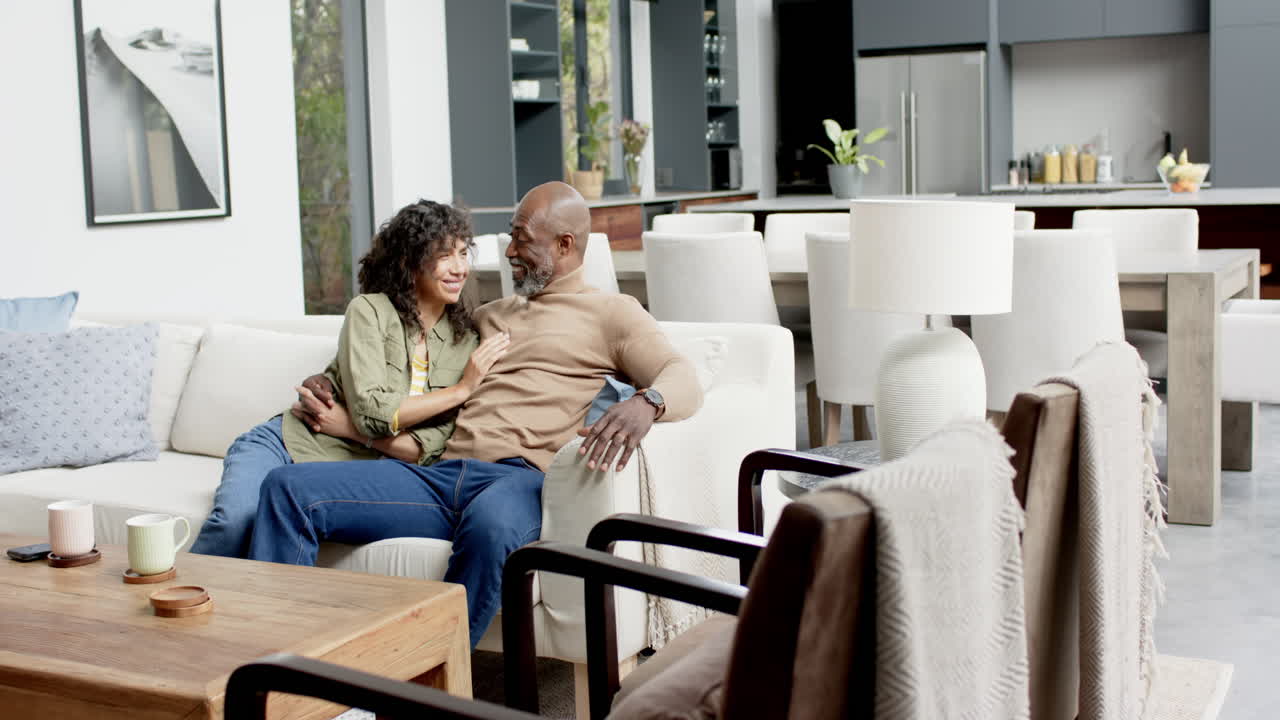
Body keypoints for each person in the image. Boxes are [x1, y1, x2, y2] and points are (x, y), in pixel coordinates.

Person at [247, 181, 703, 647]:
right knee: (288, 489)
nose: (509, 252)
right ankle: (270, 663)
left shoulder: (612, 313)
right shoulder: (485, 316)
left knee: (491, 525)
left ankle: (426, 676)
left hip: (519, 481)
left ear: (564, 244)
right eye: (510, 237)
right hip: (440, 474)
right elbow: (405, 349)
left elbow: (683, 376)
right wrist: (330, 378)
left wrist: (646, 403)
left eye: (522, 239)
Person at [190, 200, 508, 557]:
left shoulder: (466, 344)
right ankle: (180, 590)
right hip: (286, 443)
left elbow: (426, 450)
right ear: (410, 261)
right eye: (444, 255)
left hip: (341, 473)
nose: (459, 268)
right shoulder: (369, 311)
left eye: (463, 253)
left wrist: (348, 428)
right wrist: (461, 390)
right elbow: (373, 412)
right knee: (235, 521)